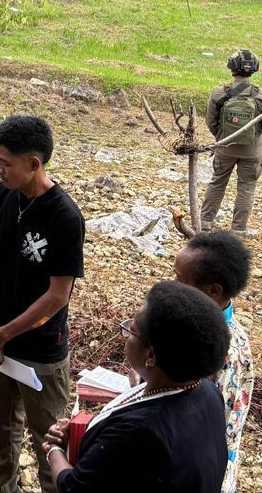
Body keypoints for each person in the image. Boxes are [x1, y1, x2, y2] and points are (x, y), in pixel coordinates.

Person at [0, 114, 85, 493]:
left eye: (6, 162)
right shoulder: (4, 194)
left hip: (39, 351)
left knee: (48, 442)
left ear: (34, 163)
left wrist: (2, 332)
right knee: (2, 433)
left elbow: (57, 296)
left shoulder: (64, 217)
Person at [42, 281, 229, 493]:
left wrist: (55, 450)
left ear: (150, 356)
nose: (126, 336)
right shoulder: (206, 390)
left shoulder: (139, 432)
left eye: (131, 331)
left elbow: (74, 487)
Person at [173, 231, 254, 493]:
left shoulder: (226, 352)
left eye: (180, 280)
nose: (172, 285)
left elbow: (218, 426)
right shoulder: (193, 323)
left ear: (213, 290)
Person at [201, 49, 262, 237]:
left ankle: (205, 223)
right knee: (246, 188)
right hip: (252, 151)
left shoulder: (219, 92)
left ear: (231, 68)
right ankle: (238, 229)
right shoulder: (260, 95)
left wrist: (222, 139)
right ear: (254, 69)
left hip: (224, 148)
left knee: (217, 183)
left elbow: (210, 121)